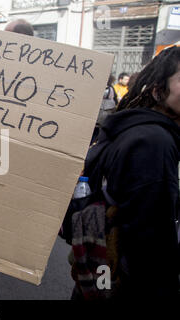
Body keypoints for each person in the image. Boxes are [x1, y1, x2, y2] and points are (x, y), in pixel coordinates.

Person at [73, 46, 180, 299]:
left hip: (100, 276)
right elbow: (150, 238)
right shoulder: (153, 141)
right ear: (158, 91)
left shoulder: (134, 128)